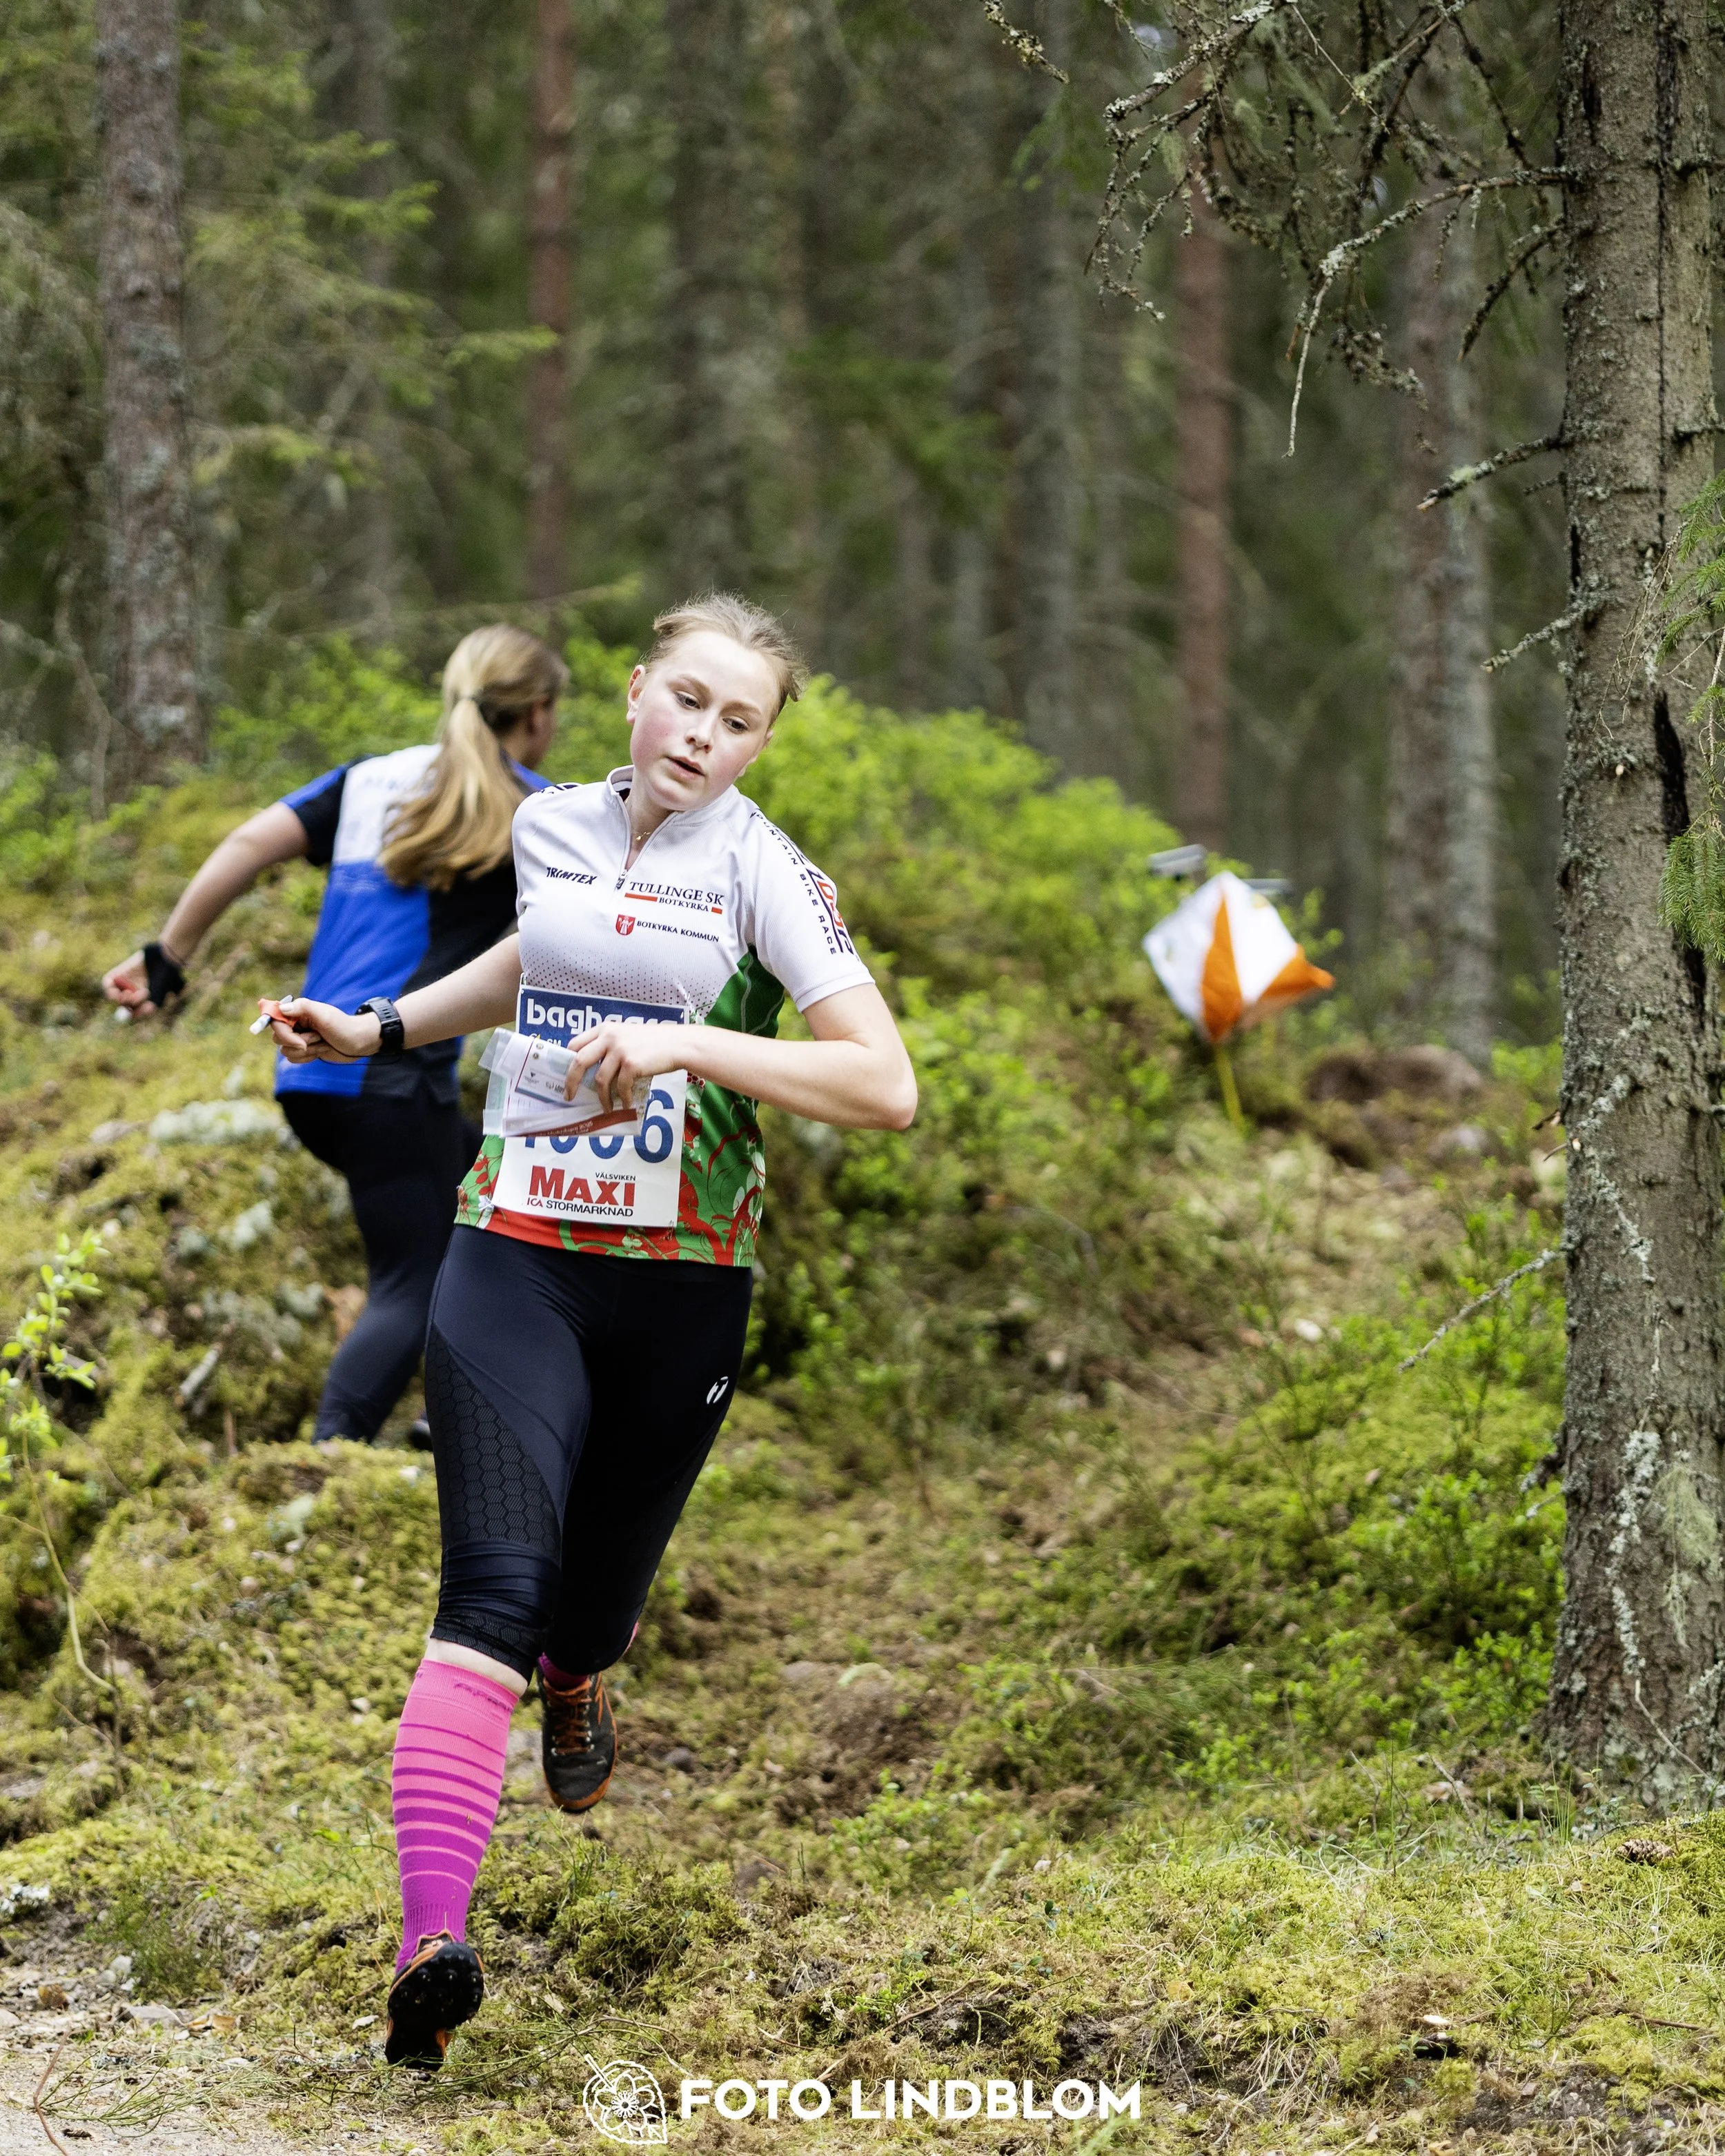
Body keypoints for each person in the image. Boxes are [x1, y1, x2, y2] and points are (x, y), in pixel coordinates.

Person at [260, 593, 917, 2069]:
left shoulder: (766, 872)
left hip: (679, 1282)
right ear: (634, 692)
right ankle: (431, 1942)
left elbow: (882, 1084)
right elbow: (526, 970)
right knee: (487, 1589)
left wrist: (685, 1040)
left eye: (737, 718)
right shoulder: (551, 825)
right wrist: (378, 1028)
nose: (702, 732)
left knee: (585, 1599)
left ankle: (584, 1667)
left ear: (757, 745)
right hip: (515, 1252)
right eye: (686, 698)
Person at [104, 625, 567, 1446]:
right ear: (537, 712)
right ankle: (329, 1451)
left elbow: (250, 845)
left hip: (310, 1071)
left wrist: (166, 958)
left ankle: (448, 1408)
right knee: (412, 1273)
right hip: (383, 1073)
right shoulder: (537, 809)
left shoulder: (367, 780)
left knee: (494, 1194)